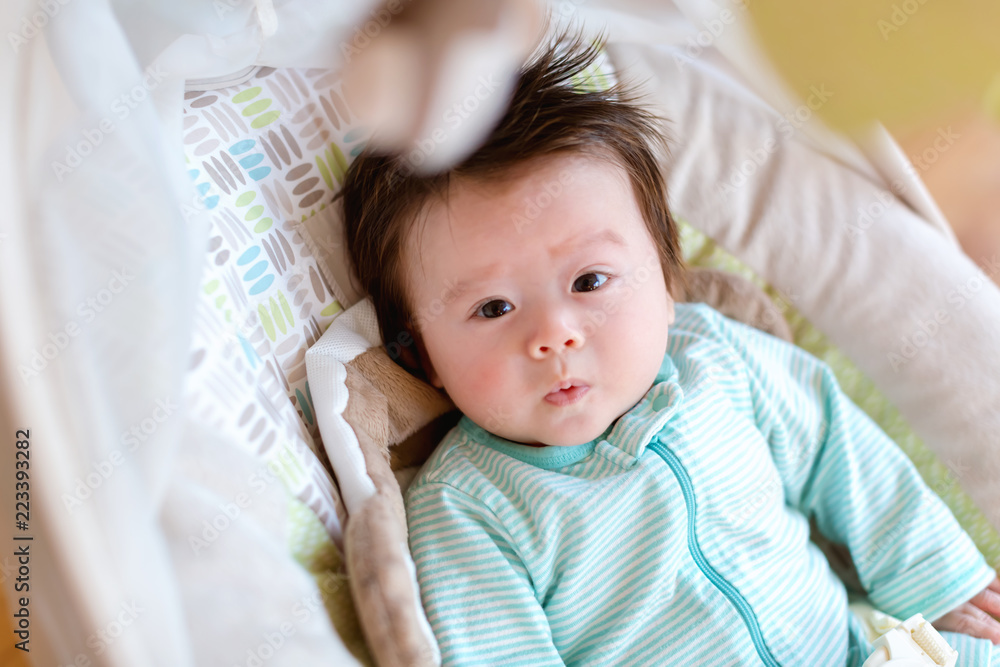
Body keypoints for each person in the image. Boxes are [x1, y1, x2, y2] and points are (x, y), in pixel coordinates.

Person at [338, 25, 1000, 666]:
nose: (554, 334)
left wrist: (938, 583)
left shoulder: (712, 356)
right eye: (493, 307)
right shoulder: (468, 507)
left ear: (665, 279)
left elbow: (839, 449)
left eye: (590, 281)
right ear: (422, 357)